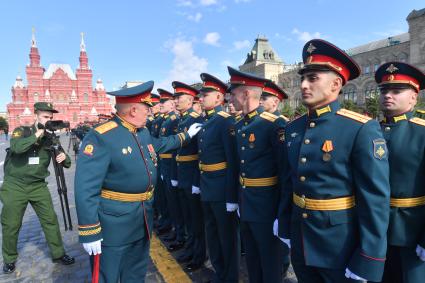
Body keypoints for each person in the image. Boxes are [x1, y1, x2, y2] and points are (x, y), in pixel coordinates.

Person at [277, 39, 391, 283]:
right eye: (303, 78)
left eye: (313, 78)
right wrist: (285, 225)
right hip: (302, 239)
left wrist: (369, 257)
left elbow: (375, 200)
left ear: (336, 83)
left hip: (340, 247)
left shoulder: (360, 128)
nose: (304, 85)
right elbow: (291, 183)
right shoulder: (294, 128)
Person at [74, 81, 202, 282]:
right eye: (146, 109)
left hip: (141, 217)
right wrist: (89, 230)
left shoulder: (141, 132)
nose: (149, 114)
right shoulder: (102, 137)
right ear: (133, 110)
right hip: (114, 222)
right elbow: (85, 188)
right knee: (110, 274)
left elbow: (160, 144)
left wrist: (185, 136)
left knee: (135, 271)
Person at [0, 102, 75, 274]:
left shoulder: (51, 138)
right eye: (45, 116)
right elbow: (17, 148)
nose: (48, 120)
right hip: (15, 186)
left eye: (50, 117)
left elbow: (68, 163)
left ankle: (58, 253)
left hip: (38, 186)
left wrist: (63, 157)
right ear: (36, 115)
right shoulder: (22, 131)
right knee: (11, 224)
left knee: (50, 220)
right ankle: (10, 258)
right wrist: (37, 135)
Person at [228, 66, 284, 283]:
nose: (230, 98)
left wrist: (282, 211)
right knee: (252, 257)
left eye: (233, 93)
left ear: (246, 93)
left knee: (269, 260)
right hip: (247, 201)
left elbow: (284, 171)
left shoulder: (274, 125)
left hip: (267, 204)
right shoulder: (240, 125)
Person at [375, 61, 425, 283]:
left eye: (397, 91)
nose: (388, 95)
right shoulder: (370, 131)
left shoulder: (421, 133)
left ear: (414, 97)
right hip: (375, 232)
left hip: (412, 232)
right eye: (384, 90)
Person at [198, 72, 240, 282]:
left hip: (222, 188)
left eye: (206, 94)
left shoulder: (226, 122)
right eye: (201, 94)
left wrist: (232, 195)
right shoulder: (208, 122)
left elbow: (233, 162)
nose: (201, 97)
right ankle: (219, 271)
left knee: (227, 238)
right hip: (207, 186)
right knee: (212, 234)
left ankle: (230, 276)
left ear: (218, 98)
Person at [170, 81, 207, 271]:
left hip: (192, 175)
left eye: (179, 98)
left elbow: (200, 154)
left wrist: (195, 181)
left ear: (190, 100)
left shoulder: (196, 120)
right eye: (175, 98)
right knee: (187, 217)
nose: (175, 101)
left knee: (195, 219)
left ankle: (198, 255)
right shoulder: (182, 120)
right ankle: (191, 248)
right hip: (182, 174)